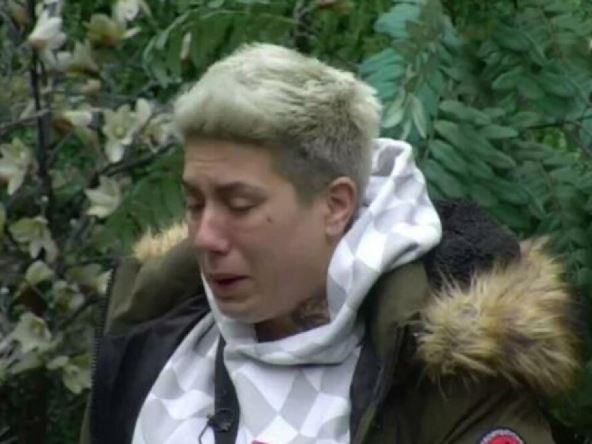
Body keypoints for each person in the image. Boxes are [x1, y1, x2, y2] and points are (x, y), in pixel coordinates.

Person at [80, 43, 579, 444]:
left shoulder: (446, 375)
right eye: (194, 202)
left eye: (240, 204)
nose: (205, 238)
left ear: (335, 205)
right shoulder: (150, 328)